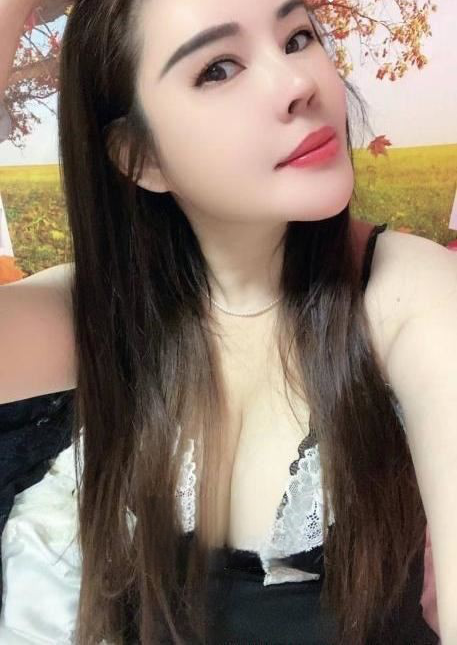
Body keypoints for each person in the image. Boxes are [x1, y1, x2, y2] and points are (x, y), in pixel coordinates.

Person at [0, 0, 456, 643]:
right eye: (218, 68)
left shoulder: (413, 295)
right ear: (139, 158)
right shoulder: (109, 310)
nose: (298, 82)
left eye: (296, 37)